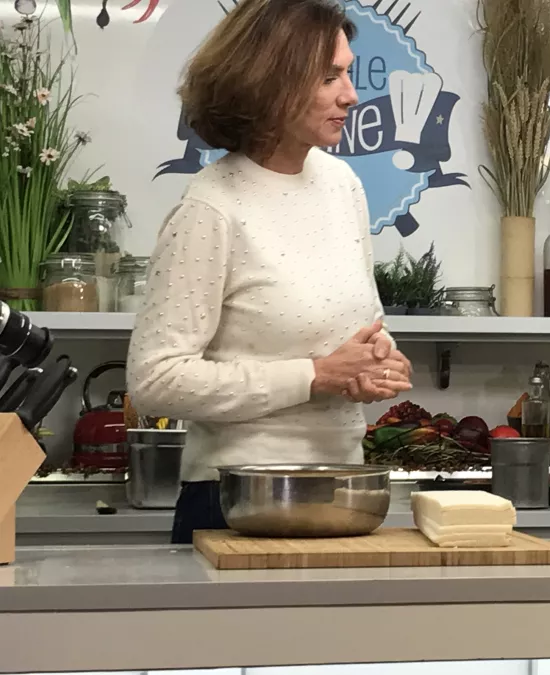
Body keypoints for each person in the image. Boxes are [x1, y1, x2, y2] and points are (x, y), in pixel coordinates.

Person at [126, 0, 414, 544]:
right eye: (330, 77)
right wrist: (315, 375)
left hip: (343, 493)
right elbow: (155, 382)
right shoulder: (212, 208)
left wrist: (377, 360)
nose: (350, 95)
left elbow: (359, 323)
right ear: (270, 83)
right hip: (234, 505)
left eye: (347, 73)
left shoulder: (342, 186)